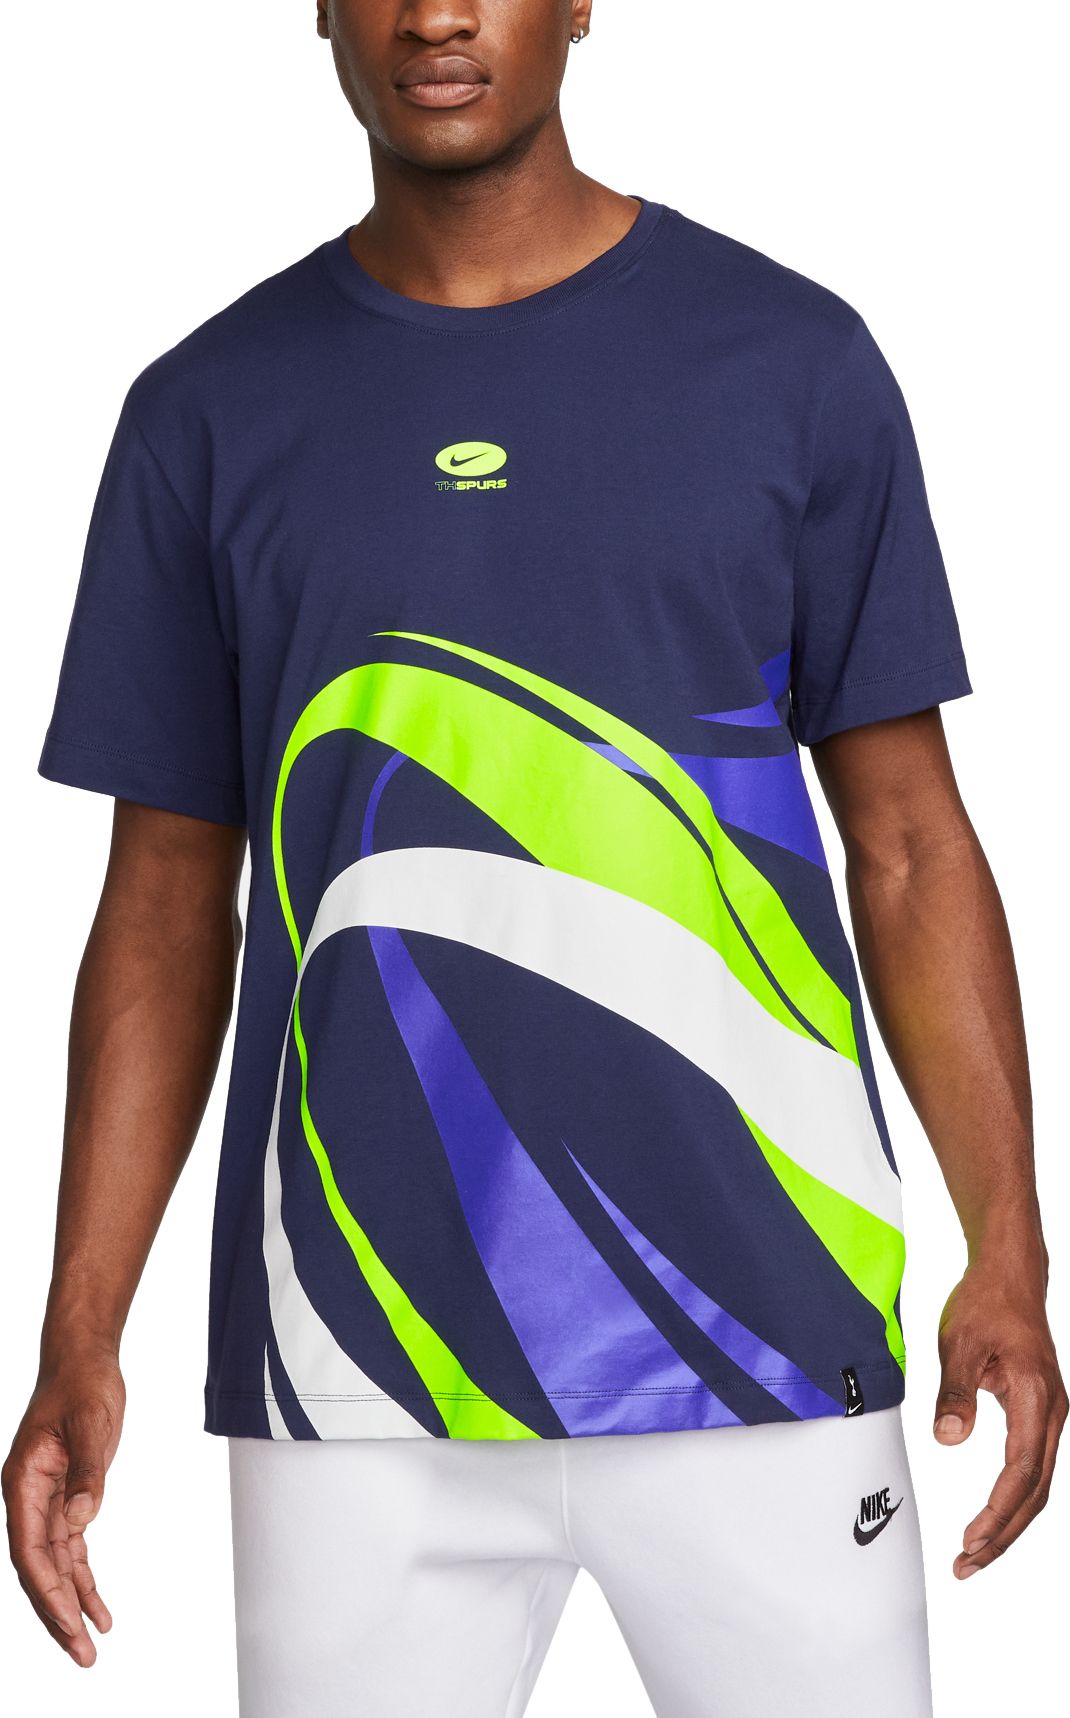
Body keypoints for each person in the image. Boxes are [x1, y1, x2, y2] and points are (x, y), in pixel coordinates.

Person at [4, 2, 1065, 1713]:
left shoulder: (788, 364)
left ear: (580, 3)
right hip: (350, 1365)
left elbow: (909, 843)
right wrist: (80, 1327)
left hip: (762, 1337)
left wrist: (1005, 1244)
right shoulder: (205, 411)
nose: (436, 14)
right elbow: (162, 907)